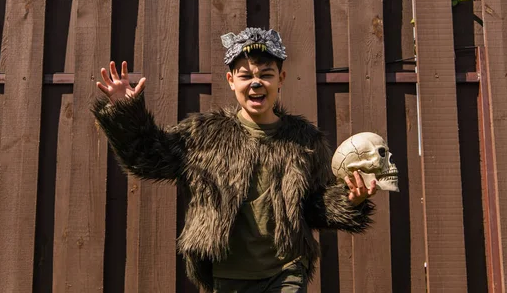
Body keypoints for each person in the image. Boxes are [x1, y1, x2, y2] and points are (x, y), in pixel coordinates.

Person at [92, 27, 376, 292]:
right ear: (231, 81)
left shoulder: (306, 140)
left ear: (281, 79)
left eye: (266, 74)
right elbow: (148, 158)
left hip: (286, 271)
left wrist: (349, 201)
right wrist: (125, 110)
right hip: (227, 275)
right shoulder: (203, 135)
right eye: (245, 75)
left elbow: (314, 206)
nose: (256, 83)